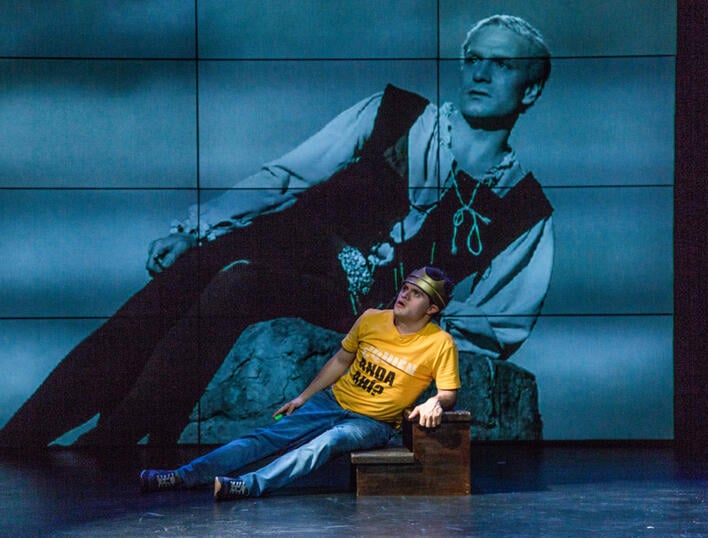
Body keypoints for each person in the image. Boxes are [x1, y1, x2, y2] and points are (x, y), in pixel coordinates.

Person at [0, 14, 554, 448]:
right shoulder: (394, 114)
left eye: (502, 66)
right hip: (298, 242)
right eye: (474, 59)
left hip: (356, 309)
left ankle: (113, 440)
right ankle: (22, 438)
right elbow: (288, 176)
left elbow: (495, 330)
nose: (481, 73)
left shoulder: (524, 209)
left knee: (241, 283)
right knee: (200, 264)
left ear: (529, 91)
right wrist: (199, 225)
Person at [140, 266, 459, 500]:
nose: (404, 295)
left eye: (416, 294)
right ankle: (182, 476)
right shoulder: (372, 318)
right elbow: (341, 361)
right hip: (331, 402)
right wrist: (304, 397)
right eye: (405, 288)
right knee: (265, 436)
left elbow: (448, 393)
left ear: (432, 308)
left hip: (372, 423)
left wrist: (435, 401)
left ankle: (251, 484)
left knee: (329, 441)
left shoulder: (439, 343)